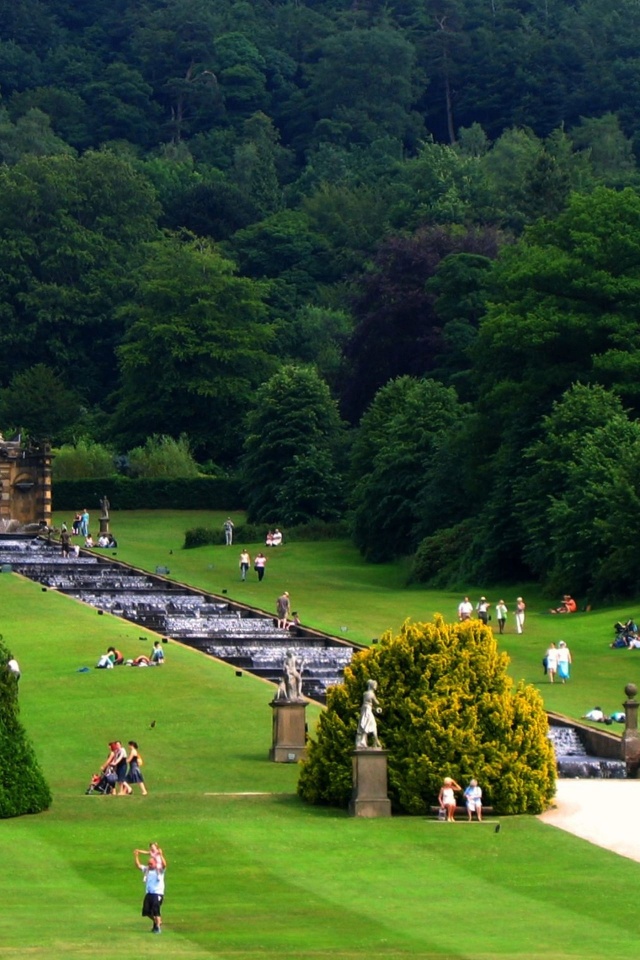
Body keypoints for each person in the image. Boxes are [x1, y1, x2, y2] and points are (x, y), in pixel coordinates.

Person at [134, 844, 166, 934]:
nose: (149, 865)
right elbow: (138, 865)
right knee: (147, 911)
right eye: (149, 863)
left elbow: (164, 865)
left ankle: (158, 927)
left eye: (151, 863)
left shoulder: (159, 871)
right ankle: (157, 922)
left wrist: (161, 855)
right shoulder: (147, 870)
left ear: (155, 863)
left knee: (156, 910)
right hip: (149, 893)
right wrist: (136, 856)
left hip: (157, 893)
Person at [355, 679, 381, 749]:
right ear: (372, 686)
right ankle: (370, 741)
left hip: (365, 709)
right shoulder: (371, 694)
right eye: (375, 685)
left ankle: (374, 741)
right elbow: (377, 702)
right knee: (370, 724)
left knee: (367, 724)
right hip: (367, 710)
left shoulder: (365, 693)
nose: (376, 687)